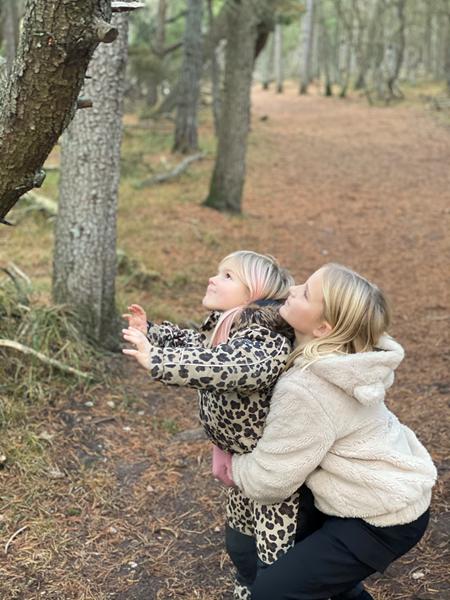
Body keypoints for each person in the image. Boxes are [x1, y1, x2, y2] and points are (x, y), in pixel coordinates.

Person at [217, 263, 437, 600]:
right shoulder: (348, 355)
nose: (292, 289)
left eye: (305, 292)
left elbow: (271, 481)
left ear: (323, 327)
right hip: (384, 490)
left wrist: (233, 466)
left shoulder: (309, 389)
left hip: (381, 518)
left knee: (274, 592)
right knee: (320, 577)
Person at [122, 251, 307, 599]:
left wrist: (157, 359)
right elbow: (197, 345)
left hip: (273, 469)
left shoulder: (266, 338)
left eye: (227, 276)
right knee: (240, 542)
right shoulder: (228, 325)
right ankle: (246, 587)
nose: (213, 279)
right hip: (238, 459)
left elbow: (227, 366)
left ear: (253, 292)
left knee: (276, 552)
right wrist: (152, 332)